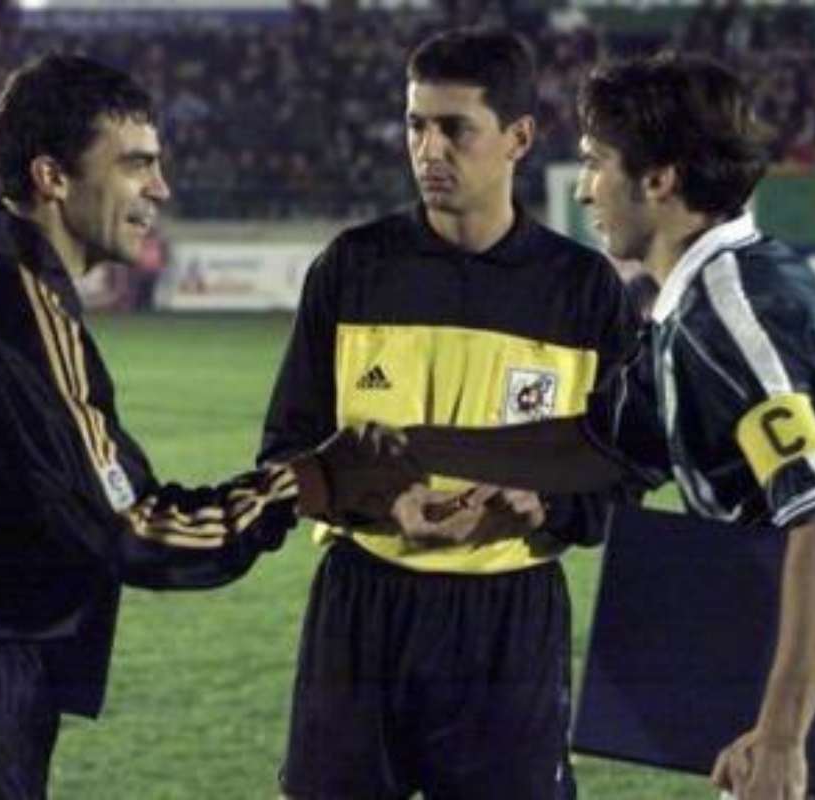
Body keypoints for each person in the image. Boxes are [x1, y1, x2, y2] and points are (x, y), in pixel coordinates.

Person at [318, 53, 815, 799]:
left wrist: (782, 734)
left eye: (595, 163)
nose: (582, 190)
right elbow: (597, 442)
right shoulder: (709, 295)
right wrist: (418, 445)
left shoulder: (730, 315)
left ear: (661, 179)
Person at [0, 54, 326, 799]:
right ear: (53, 176)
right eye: (136, 166)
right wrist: (295, 487)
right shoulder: (22, 317)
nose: (160, 188)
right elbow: (135, 527)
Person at [257, 27, 636, 799]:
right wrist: (390, 502)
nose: (429, 150)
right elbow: (286, 448)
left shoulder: (584, 291)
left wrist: (547, 506)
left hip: (508, 617)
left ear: (518, 137)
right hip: (363, 604)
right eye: (415, 125)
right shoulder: (352, 268)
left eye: (454, 128)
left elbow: (622, 467)